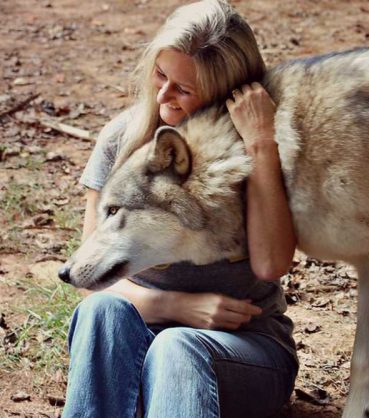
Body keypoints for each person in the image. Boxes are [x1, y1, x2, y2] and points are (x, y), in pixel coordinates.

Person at [62, 1, 298, 417]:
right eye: (160, 75)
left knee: (177, 346)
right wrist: (178, 307)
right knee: (100, 310)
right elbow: (90, 277)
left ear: (226, 91)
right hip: (136, 341)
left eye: (183, 89)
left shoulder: (254, 150)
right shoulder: (122, 138)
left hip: (246, 353)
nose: (163, 95)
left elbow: (272, 264)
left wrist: (261, 144)